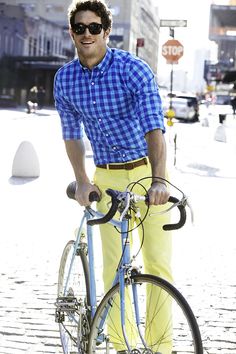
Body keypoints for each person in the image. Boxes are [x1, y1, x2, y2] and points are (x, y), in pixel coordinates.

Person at [54, 1, 172, 353]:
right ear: (72, 32)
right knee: (114, 270)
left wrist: (160, 181)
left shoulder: (132, 70)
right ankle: (122, 347)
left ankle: (161, 347)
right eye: (79, 28)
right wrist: (82, 180)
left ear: (106, 31)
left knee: (158, 265)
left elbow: (155, 127)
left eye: (94, 27)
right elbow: (71, 134)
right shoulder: (65, 79)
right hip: (105, 175)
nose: (86, 34)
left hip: (148, 170)